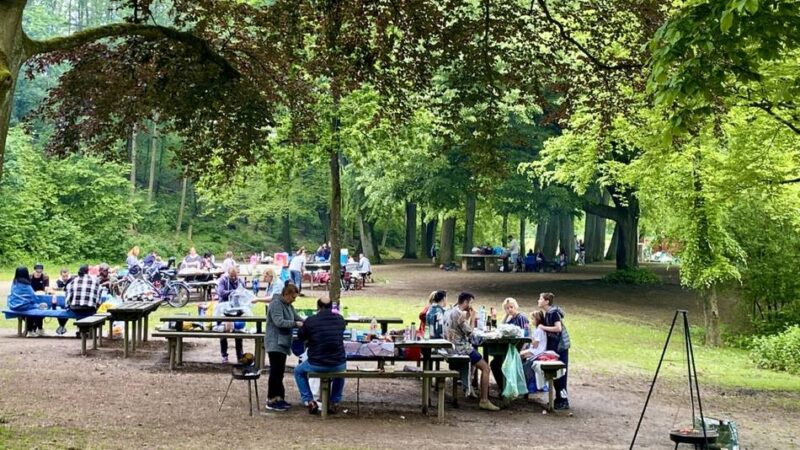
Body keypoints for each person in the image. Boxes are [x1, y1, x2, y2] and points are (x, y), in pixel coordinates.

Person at [443, 292, 499, 411]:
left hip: (452, 346)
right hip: (461, 348)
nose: (472, 305)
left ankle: (471, 388)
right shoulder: (459, 314)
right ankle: (484, 400)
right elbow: (470, 333)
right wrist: (473, 318)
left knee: (477, 360)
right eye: (471, 303)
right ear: (466, 302)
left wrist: (468, 317)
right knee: (486, 368)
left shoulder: (453, 311)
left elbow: (461, 328)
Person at [294, 298, 347, 415]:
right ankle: (334, 402)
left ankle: (309, 400)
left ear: (318, 307)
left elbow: (301, 336)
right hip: (337, 363)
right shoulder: (340, 319)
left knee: (298, 371)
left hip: (316, 363)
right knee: (341, 372)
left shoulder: (311, 320)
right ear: (331, 307)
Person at [264, 284, 304, 412]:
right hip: (275, 343)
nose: (294, 300)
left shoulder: (289, 306)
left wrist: (309, 322)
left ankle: (280, 398)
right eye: (293, 297)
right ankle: (271, 399)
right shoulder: (276, 304)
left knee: (280, 373)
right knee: (275, 372)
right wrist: (295, 324)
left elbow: (298, 318)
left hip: (283, 343)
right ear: (286, 294)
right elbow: (279, 322)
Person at [489, 298, 530, 394]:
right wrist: (506, 315)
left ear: (516, 307)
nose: (510, 309)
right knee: (495, 361)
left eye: (511, 307)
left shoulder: (521, 318)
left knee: (496, 363)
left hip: (518, 350)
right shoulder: (510, 318)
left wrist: (520, 352)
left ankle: (505, 388)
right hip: (509, 349)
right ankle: (503, 387)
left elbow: (525, 336)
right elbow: (500, 328)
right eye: (507, 308)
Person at [538, 292, 571, 410]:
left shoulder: (553, 313)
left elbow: (558, 328)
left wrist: (543, 327)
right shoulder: (548, 313)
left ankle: (563, 401)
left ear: (547, 301)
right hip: (555, 347)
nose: (538, 301)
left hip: (560, 347)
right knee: (556, 375)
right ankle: (557, 399)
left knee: (561, 375)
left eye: (540, 299)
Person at [215, 268, 245, 363]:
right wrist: (233, 292)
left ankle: (240, 356)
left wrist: (240, 294)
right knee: (223, 332)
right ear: (228, 274)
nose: (234, 278)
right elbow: (221, 292)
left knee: (238, 332)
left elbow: (244, 293)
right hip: (224, 309)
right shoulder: (223, 280)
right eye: (232, 276)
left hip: (237, 309)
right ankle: (224, 355)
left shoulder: (240, 281)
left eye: (235, 276)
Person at [8, 266, 45, 337]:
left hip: (13, 305)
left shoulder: (14, 283)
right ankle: (31, 330)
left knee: (31, 307)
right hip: (23, 306)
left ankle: (32, 329)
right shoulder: (27, 285)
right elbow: (34, 298)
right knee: (37, 307)